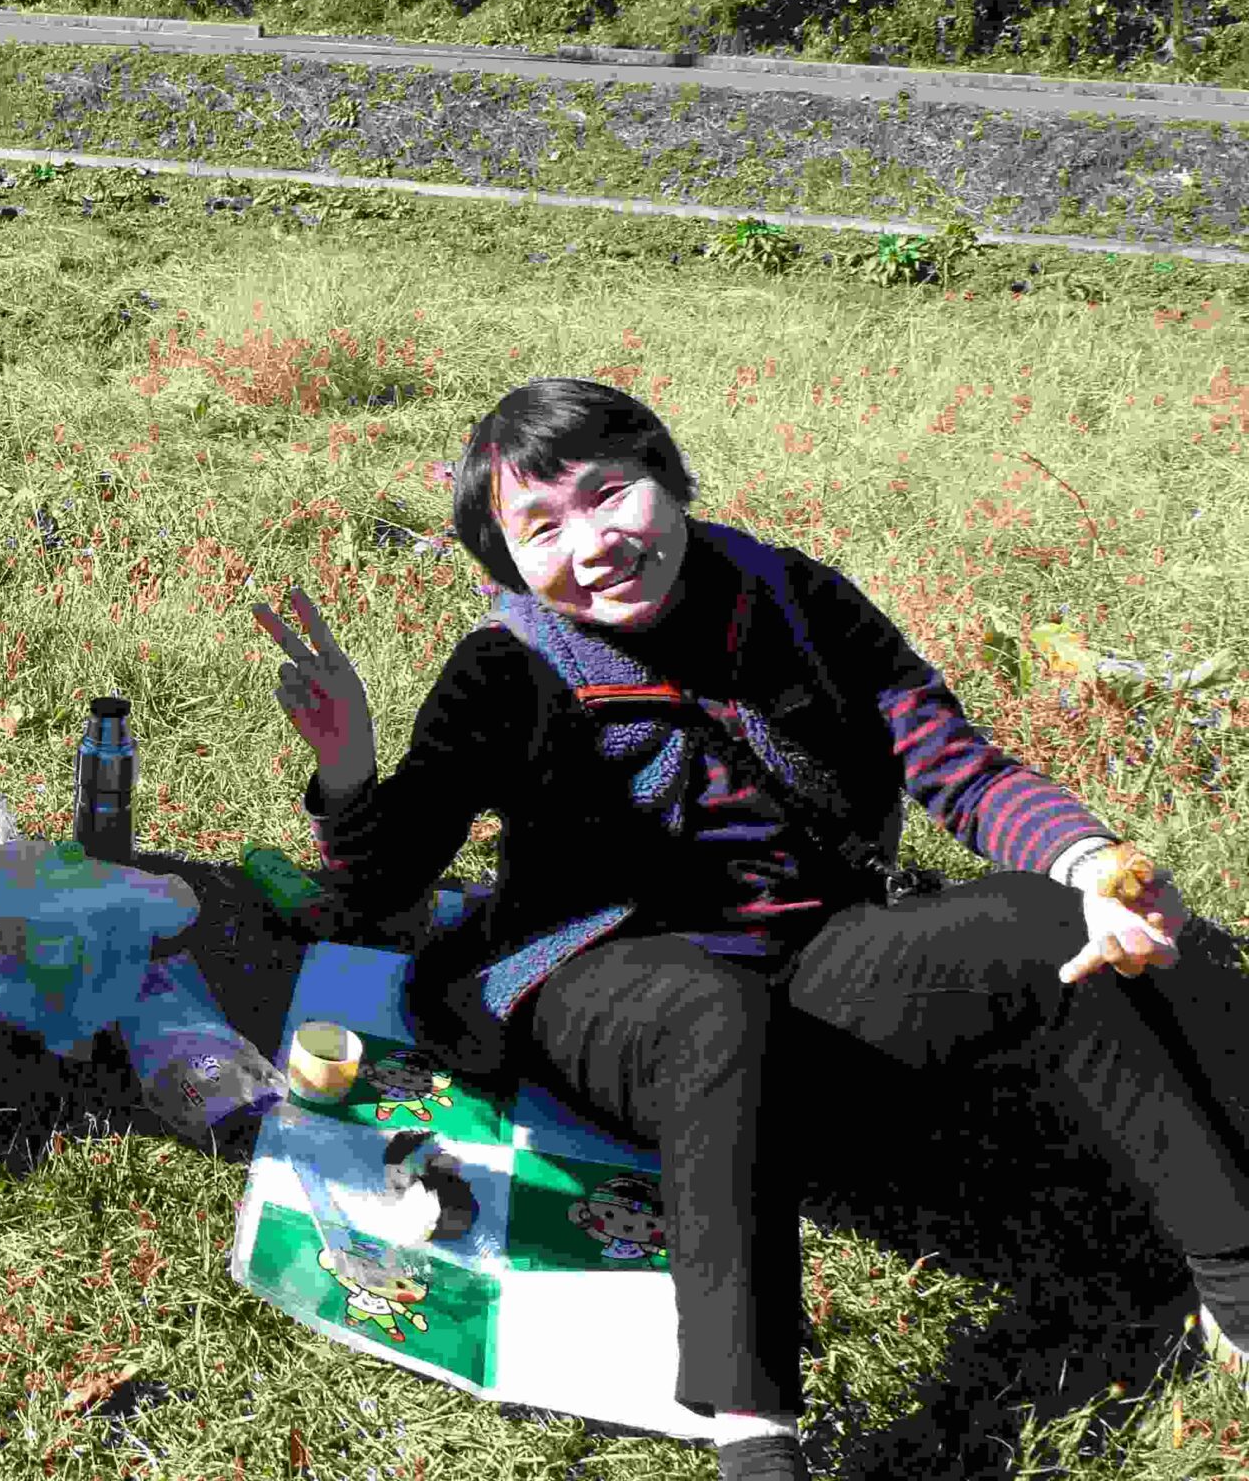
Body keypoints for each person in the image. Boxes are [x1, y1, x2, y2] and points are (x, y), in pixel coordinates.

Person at [254, 376, 1249, 1480]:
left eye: (609, 492)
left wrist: (1093, 863)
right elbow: (387, 878)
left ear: (665, 475)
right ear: (509, 564)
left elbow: (956, 768)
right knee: (712, 1012)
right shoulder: (507, 667)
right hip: (598, 983)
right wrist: (347, 769)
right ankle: (755, 1440)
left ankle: (1236, 1282)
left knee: (1052, 921)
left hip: (815, 957)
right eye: (541, 528)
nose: (592, 543)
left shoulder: (792, 600)